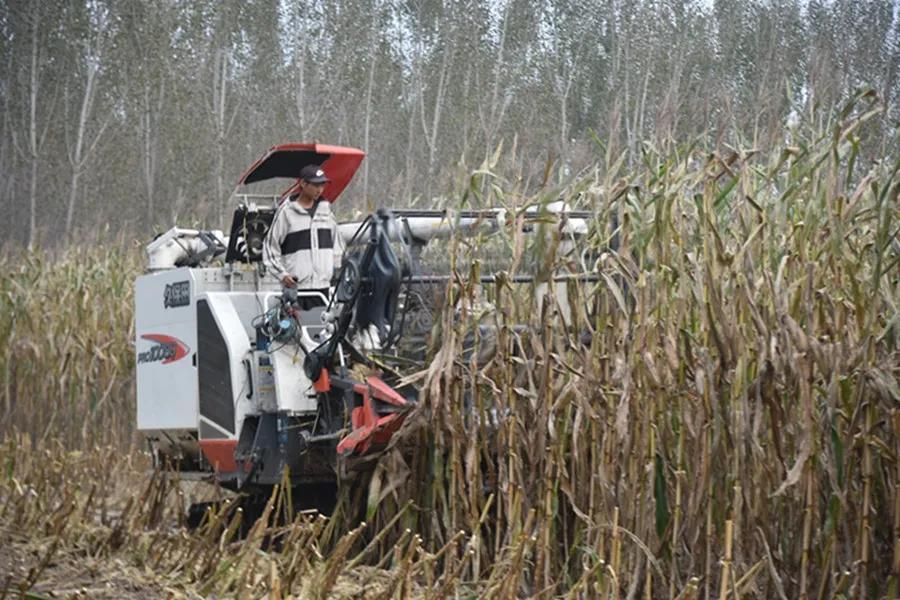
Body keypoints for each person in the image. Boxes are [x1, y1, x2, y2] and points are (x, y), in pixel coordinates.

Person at [263, 164, 345, 297]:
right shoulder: (286, 212)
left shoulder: (326, 212)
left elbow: (338, 244)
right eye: (316, 185)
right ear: (303, 184)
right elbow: (270, 247)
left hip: (323, 288)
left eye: (322, 185)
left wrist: (336, 271)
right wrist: (282, 275)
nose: (320, 189)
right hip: (296, 289)